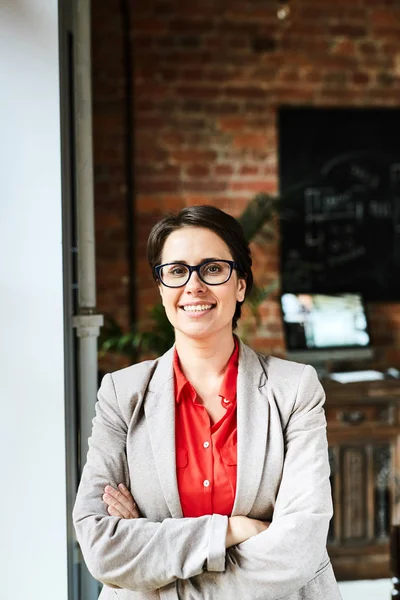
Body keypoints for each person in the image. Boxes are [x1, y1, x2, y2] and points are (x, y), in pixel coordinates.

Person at [73, 205, 342, 600]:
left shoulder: (294, 389)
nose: (194, 286)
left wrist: (154, 556)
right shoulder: (120, 394)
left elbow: (298, 549)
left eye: (213, 269)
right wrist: (233, 530)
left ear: (241, 285)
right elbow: (102, 547)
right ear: (162, 287)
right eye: (177, 271)